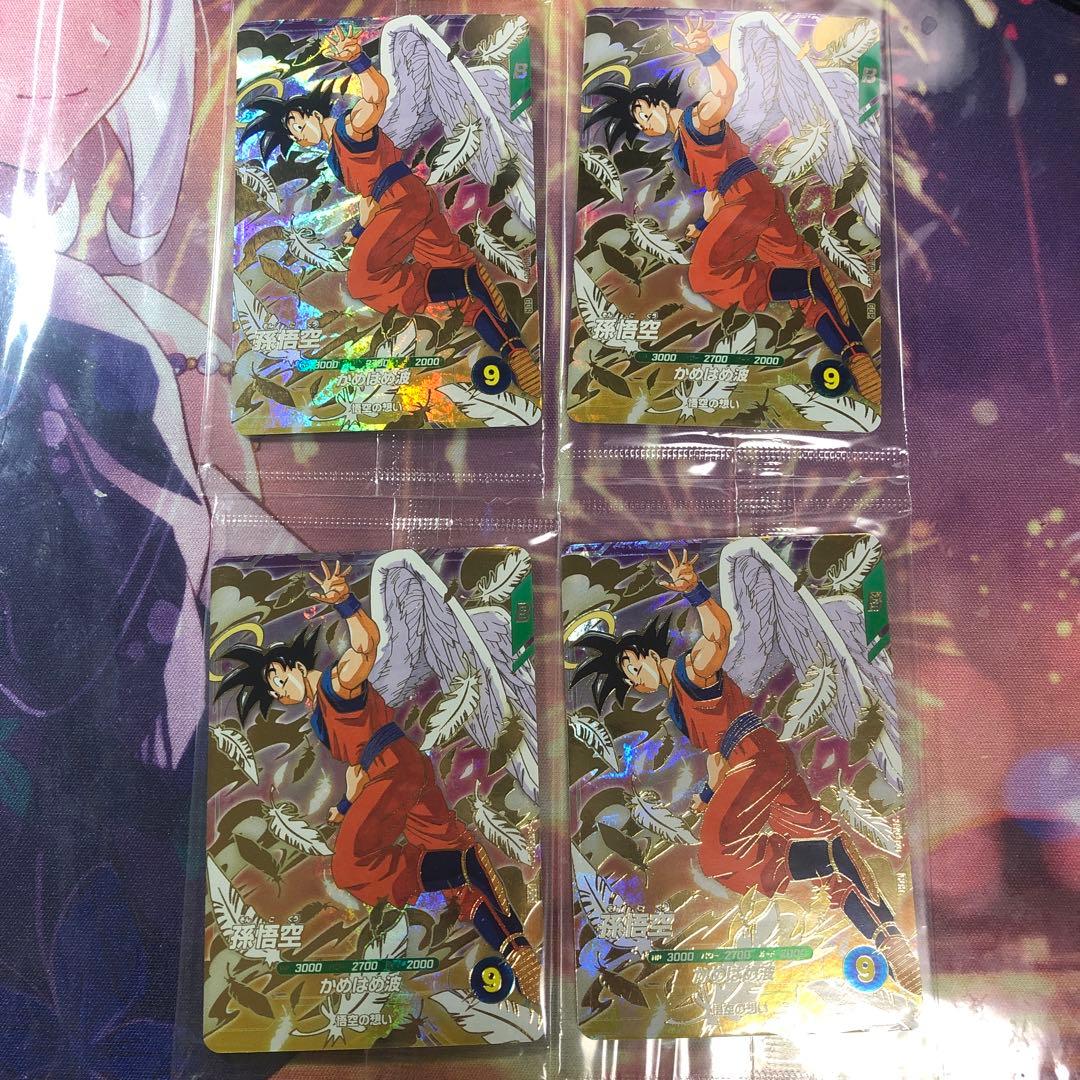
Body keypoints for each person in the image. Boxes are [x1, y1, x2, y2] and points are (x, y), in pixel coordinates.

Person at [570, 548, 919, 994]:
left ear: (645, 653)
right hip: (759, 762)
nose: (636, 681)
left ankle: (830, 857)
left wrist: (695, 591)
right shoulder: (678, 700)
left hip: (753, 760)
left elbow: (718, 634)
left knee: (719, 856)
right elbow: (716, 760)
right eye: (629, 681)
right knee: (826, 857)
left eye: (632, 667)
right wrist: (707, 796)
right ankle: (890, 940)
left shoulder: (691, 670)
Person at [215, 561, 541, 1004]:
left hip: (395, 772)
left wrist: (345, 602)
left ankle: (465, 865)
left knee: (350, 867)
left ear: (292, 665)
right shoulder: (322, 711)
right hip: (399, 772)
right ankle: (519, 952)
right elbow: (357, 767)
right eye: (273, 691)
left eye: (278, 677)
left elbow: (365, 647)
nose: (280, 690)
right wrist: (347, 806)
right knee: (459, 889)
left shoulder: (336, 684)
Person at [585, 17, 881, 405]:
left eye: (643, 114)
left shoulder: (696, 120)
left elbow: (724, 91)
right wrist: (704, 221)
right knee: (805, 299)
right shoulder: (683, 144)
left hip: (746, 198)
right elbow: (715, 188)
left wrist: (706, 51)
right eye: (639, 125)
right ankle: (855, 355)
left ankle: (810, 282)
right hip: (754, 200)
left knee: (706, 275)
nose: (645, 125)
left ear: (659, 103)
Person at [242, 25, 539, 395]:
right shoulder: (336, 154)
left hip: (401, 203)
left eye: (299, 124)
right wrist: (359, 232)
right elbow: (368, 199)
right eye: (294, 135)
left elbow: (376, 96)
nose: (300, 135)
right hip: (409, 202)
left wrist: (356, 59)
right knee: (462, 296)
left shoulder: (351, 128)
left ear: (312, 113)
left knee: (364, 281)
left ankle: (467, 282)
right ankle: (514, 350)